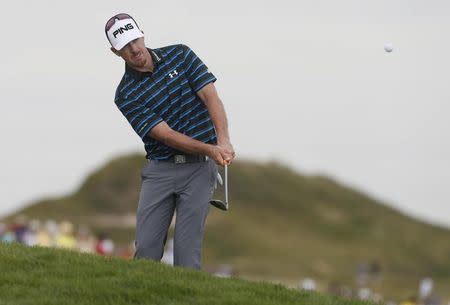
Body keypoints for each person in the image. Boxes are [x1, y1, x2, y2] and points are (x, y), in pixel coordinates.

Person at [105, 13, 235, 269]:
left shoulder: (181, 55)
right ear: (115, 52)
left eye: (135, 40)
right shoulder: (125, 94)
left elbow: (211, 98)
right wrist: (211, 149)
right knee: (146, 250)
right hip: (160, 170)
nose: (134, 50)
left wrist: (224, 141)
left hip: (198, 169)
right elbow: (165, 135)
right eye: (125, 47)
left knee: (187, 256)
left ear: (141, 33)